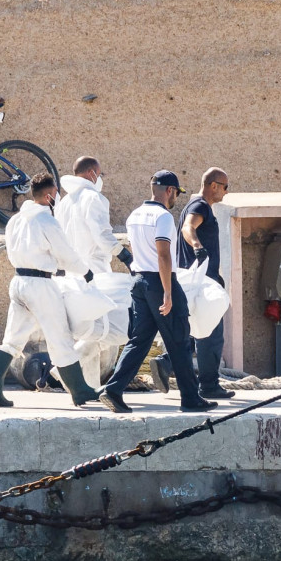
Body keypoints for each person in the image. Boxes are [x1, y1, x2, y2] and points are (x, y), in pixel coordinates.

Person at [97, 170, 217, 414]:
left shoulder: (135, 215)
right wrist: (168, 292)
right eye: (176, 194)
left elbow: (138, 250)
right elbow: (163, 255)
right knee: (180, 339)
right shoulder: (162, 217)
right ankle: (191, 398)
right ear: (170, 191)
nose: (176, 199)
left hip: (139, 282)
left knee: (139, 341)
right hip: (160, 281)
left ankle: (113, 389)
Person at [0, 171, 101, 408]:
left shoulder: (16, 220)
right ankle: (80, 391)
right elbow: (65, 252)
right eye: (56, 193)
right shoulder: (46, 220)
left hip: (18, 281)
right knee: (60, 337)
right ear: (48, 196)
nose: (57, 196)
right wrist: (85, 271)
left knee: (13, 338)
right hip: (41, 285)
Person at [149, 167, 236, 400]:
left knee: (192, 328)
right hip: (202, 281)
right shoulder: (199, 207)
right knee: (211, 333)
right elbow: (189, 227)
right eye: (225, 187)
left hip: (189, 279)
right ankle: (208, 384)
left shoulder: (192, 205)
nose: (227, 192)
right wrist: (197, 246)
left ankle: (166, 362)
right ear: (213, 186)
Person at [55, 156, 134, 388]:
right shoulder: (94, 198)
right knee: (103, 330)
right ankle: (62, 369)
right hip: (95, 273)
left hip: (72, 274)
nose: (100, 179)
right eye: (100, 174)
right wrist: (125, 256)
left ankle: (88, 387)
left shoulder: (65, 203)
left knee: (88, 331)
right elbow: (102, 234)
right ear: (92, 174)